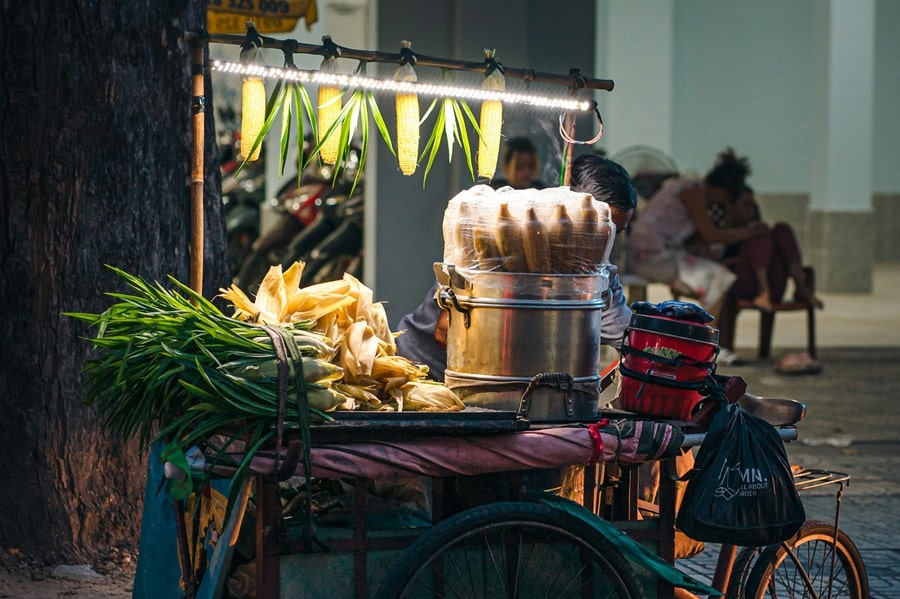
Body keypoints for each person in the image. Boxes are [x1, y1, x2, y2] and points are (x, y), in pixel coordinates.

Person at [395, 153, 637, 382]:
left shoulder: (597, 277)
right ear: (571, 214)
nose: (606, 241)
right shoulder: (507, 237)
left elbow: (629, 338)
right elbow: (445, 331)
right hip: (422, 370)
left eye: (617, 232)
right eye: (599, 229)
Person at [625, 147, 769, 364]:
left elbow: (701, 242)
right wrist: (749, 232)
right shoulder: (692, 190)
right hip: (650, 257)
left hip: (654, 255)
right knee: (718, 278)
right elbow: (710, 234)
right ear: (723, 192)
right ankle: (704, 347)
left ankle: (703, 342)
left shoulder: (687, 190)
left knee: (716, 277)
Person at [715, 185, 823, 365]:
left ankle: (800, 287)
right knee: (760, 237)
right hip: (741, 284)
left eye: (752, 206)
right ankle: (763, 290)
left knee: (781, 229)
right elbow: (714, 263)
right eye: (745, 205)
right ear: (731, 206)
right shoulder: (720, 231)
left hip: (774, 284)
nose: (750, 210)